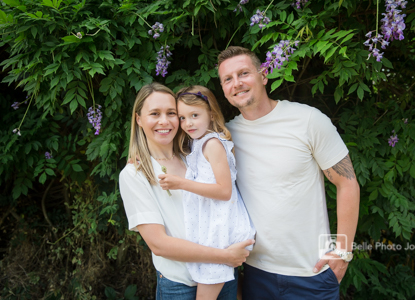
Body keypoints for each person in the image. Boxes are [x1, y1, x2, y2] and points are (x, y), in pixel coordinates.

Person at [217, 46, 360, 299]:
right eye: (228, 79)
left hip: (312, 273)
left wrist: (343, 250)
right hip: (254, 273)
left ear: (264, 75)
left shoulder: (307, 120)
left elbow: (347, 183)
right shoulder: (224, 138)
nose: (236, 83)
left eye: (243, 73)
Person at [119, 82, 255, 300]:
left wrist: (227, 260)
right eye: (155, 113)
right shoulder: (135, 174)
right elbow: (159, 244)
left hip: (222, 274)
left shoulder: (193, 155)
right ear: (139, 119)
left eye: (171, 113)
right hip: (181, 283)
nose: (164, 121)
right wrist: (224, 256)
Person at [157, 85, 256, 300]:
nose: (188, 123)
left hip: (220, 231)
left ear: (211, 113)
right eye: (182, 118)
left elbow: (224, 191)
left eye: (194, 115)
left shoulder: (212, 144)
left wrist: (181, 184)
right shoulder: (198, 142)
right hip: (212, 229)